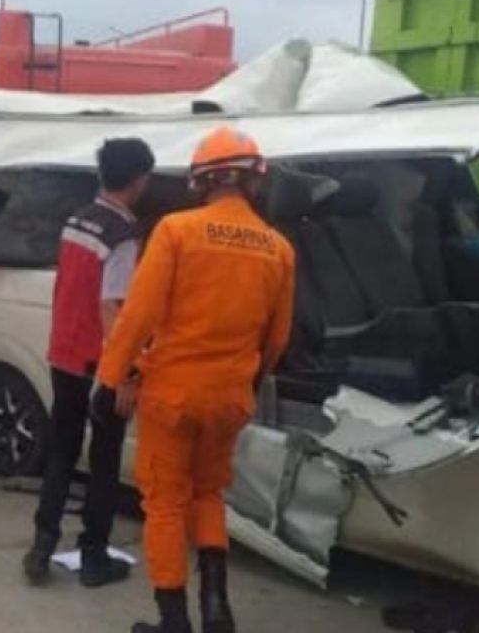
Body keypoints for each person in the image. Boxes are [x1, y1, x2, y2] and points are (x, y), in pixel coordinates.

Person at [97, 127, 295, 633]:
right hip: (230, 397)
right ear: (254, 181)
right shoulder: (279, 249)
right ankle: (216, 609)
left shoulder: (176, 231)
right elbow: (277, 338)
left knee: (164, 504)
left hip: (173, 396)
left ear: (202, 181)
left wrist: (111, 377)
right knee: (208, 495)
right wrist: (250, 382)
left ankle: (174, 622)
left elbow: (138, 316)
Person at [22, 138, 154, 588]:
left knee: (61, 451)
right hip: (101, 362)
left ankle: (42, 544)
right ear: (138, 179)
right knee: (103, 460)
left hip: (64, 354)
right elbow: (111, 307)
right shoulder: (123, 233)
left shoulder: (77, 220)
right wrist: (130, 370)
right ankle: (93, 554)